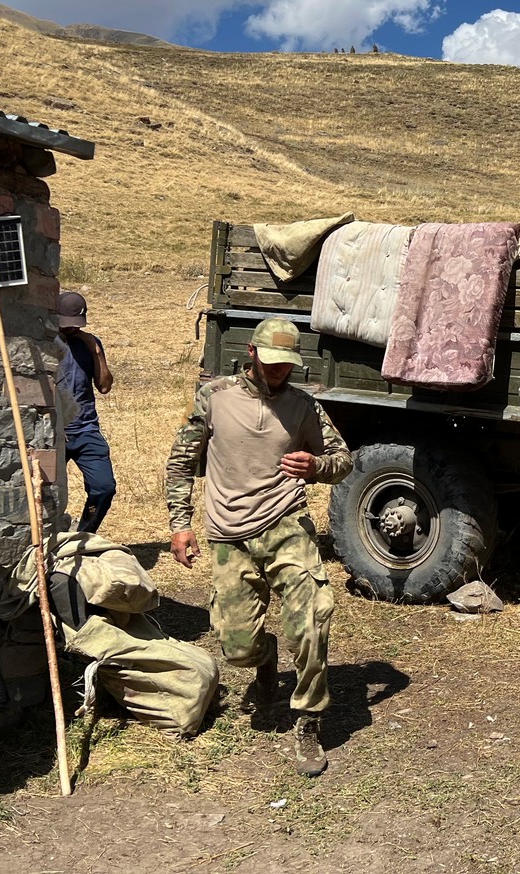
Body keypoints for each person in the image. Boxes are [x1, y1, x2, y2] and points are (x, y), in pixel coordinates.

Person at [165, 317, 351, 777]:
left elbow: (344, 459)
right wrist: (179, 524)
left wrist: (317, 466)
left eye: (286, 365)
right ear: (251, 352)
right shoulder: (216, 396)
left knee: (311, 619)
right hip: (229, 535)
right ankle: (264, 662)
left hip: (287, 524)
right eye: (270, 363)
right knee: (236, 649)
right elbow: (181, 459)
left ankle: (307, 720)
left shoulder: (304, 405)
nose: (278, 372)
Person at [56, 291, 116, 533]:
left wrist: (96, 352)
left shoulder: (91, 343)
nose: (72, 329)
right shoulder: (45, 343)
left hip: (86, 429)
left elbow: (104, 386)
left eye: (76, 325)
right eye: (66, 324)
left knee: (104, 487)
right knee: (46, 493)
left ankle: (84, 535)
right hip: (55, 433)